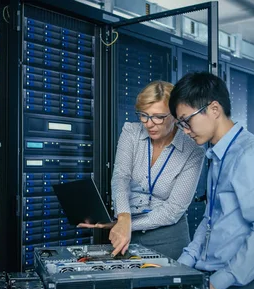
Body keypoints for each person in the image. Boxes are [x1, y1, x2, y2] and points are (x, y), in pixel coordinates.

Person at [169, 72, 254, 289]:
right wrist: (185, 262)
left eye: (186, 121)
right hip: (215, 283)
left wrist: (220, 282)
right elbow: (212, 219)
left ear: (214, 108)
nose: (185, 131)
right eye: (180, 124)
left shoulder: (249, 155)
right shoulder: (218, 154)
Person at [78, 80, 205, 260]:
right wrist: (123, 217)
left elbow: (173, 210)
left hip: (168, 238)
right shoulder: (131, 132)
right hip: (124, 235)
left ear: (176, 116)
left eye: (158, 117)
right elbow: (120, 177)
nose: (149, 123)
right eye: (143, 115)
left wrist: (124, 224)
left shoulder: (193, 151)